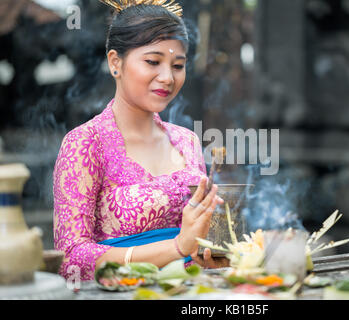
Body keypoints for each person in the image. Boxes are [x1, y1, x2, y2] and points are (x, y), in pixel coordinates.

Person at [53, 0, 228, 281]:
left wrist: (213, 251)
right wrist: (175, 248)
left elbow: (199, 243)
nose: (167, 77)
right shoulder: (85, 143)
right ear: (115, 63)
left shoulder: (187, 141)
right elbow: (70, 258)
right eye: (152, 62)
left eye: (178, 65)